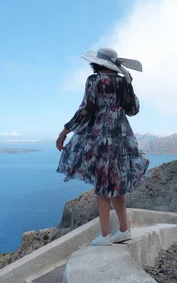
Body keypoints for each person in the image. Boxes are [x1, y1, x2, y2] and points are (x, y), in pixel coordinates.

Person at [56, 47, 149, 246]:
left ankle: (105, 235)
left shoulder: (94, 80)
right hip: (122, 137)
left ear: (96, 63)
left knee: (102, 187)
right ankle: (124, 230)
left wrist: (65, 131)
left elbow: (85, 110)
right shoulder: (124, 81)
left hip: (101, 137)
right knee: (116, 184)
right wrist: (129, 87)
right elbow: (133, 110)